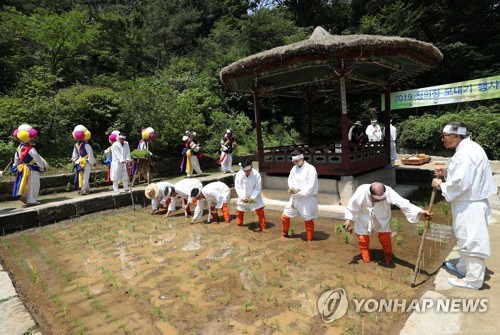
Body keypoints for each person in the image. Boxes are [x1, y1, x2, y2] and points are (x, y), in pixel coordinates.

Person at [432, 121, 496, 290]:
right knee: (463, 236)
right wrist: (446, 173)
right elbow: (462, 174)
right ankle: (463, 268)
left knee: (472, 240)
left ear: (456, 136)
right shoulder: (467, 149)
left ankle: (473, 280)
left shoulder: (467, 153)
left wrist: (440, 185)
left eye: (445, 136)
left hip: (470, 204)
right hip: (467, 202)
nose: (443, 139)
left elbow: (460, 183)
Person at [344, 182, 432, 265]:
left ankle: (388, 257)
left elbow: (403, 203)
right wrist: (348, 219)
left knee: (385, 238)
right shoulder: (361, 191)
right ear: (370, 194)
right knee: (363, 239)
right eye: (375, 199)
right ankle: (366, 259)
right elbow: (352, 206)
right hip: (364, 217)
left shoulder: (388, 191)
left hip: (382, 217)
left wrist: (420, 212)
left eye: (380, 199)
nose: (377, 201)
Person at [281, 149, 318, 241]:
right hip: (295, 198)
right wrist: (292, 189)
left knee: (307, 219)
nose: (295, 163)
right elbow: (290, 180)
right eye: (294, 161)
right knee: (285, 216)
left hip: (306, 199)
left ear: (302, 158)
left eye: (297, 161)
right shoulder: (294, 169)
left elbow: (311, 186)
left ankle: (310, 240)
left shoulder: (310, 169)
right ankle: (284, 234)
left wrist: (300, 190)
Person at [11, 124, 47, 206]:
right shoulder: (31, 149)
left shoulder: (18, 148)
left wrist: (16, 167)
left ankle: (26, 197)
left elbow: (16, 160)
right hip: (32, 169)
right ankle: (32, 200)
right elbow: (37, 159)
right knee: (34, 184)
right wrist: (42, 166)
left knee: (25, 184)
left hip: (23, 169)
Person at [234, 159, 267, 231]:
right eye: (245, 171)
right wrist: (242, 197)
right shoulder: (239, 175)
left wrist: (252, 198)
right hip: (243, 197)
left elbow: (258, 188)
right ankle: (239, 226)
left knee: (260, 211)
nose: (248, 172)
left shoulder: (256, 174)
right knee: (240, 211)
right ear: (242, 169)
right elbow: (238, 187)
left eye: (249, 170)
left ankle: (263, 227)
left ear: (252, 167)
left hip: (255, 197)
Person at [71, 125, 96, 195]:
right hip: (86, 162)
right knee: (86, 176)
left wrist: (74, 160)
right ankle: (82, 190)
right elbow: (91, 155)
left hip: (79, 162)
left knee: (81, 175)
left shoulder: (75, 145)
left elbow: (74, 156)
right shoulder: (87, 145)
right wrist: (93, 162)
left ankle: (87, 188)